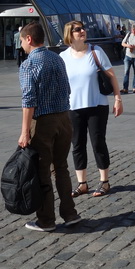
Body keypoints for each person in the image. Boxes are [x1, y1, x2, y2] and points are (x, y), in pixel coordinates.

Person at [17, 22, 81, 232]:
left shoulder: (28, 64)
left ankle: (46, 220)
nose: (22, 46)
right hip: (64, 119)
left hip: (43, 122)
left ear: (29, 39)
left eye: (22, 41)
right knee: (61, 167)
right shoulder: (57, 59)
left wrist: (25, 131)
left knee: (42, 171)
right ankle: (70, 214)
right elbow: (68, 89)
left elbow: (29, 101)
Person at [59, 20, 123, 200]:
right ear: (69, 34)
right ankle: (82, 184)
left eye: (83, 28)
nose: (82, 31)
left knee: (98, 143)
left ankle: (104, 181)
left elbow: (112, 77)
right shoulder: (63, 57)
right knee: (77, 144)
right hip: (73, 107)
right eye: (77, 29)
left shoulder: (96, 51)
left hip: (97, 105)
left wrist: (118, 99)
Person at [120, 23, 135, 94]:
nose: (134, 31)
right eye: (133, 30)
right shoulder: (128, 35)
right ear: (131, 29)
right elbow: (122, 43)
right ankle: (125, 88)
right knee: (126, 72)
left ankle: (134, 87)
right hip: (128, 56)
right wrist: (128, 46)